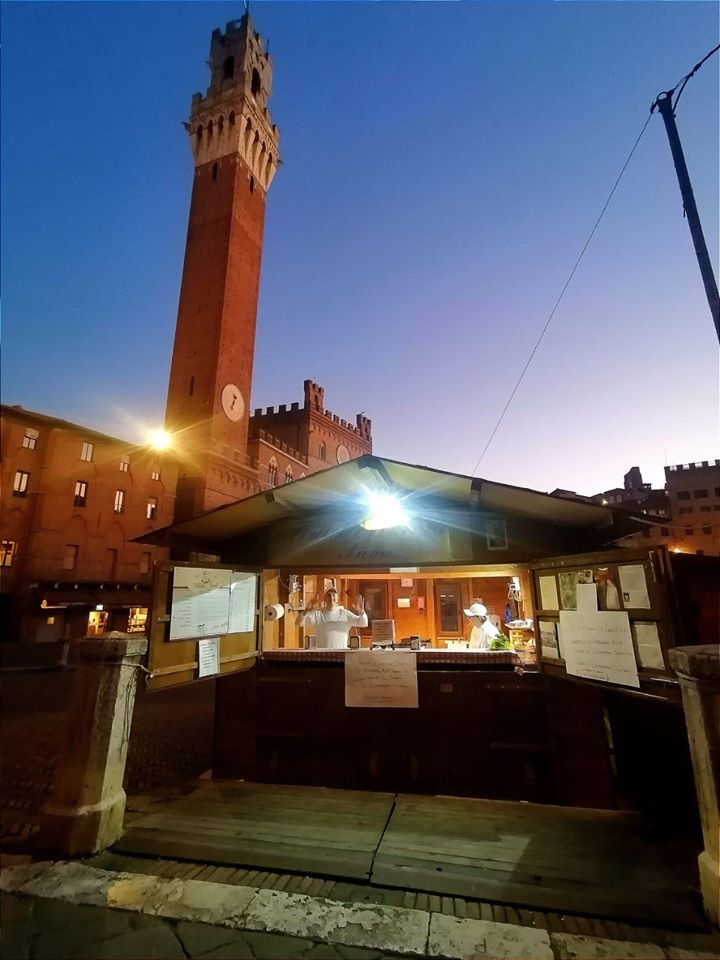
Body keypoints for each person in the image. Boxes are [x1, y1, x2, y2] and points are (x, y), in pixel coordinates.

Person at [300, 588, 368, 649]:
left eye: (333, 595)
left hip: (341, 655)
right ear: (325, 599)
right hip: (322, 656)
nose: (331, 597)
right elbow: (299, 623)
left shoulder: (345, 614)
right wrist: (306, 610)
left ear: (337, 598)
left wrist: (361, 612)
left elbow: (363, 623)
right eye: (329, 595)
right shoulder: (317, 614)